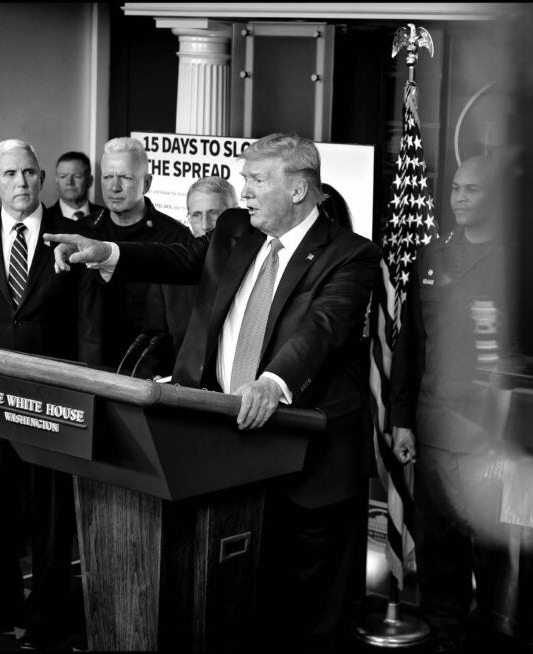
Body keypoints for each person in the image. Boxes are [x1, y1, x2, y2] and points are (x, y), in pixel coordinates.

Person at [45, 133, 380, 652]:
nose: (244, 190)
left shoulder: (350, 254)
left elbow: (323, 326)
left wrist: (273, 381)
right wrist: (106, 251)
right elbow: (178, 260)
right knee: (242, 594)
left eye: (257, 180)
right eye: (244, 178)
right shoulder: (233, 230)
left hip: (310, 455)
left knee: (313, 608)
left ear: (297, 189)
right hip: (229, 445)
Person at [0, 139, 101, 649]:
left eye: (30, 172)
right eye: (11, 174)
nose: (22, 183)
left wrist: (89, 397)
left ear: (42, 178)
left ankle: (48, 612)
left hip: (55, 404)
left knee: (51, 518)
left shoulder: (73, 238)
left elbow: (89, 327)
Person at [390, 155, 511, 651]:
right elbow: (410, 346)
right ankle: (443, 634)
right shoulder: (431, 256)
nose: (459, 197)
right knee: (438, 547)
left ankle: (493, 634)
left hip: (491, 429)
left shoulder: (515, 262)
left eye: (473, 189)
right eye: (456, 188)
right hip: (434, 425)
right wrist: (400, 420)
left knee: (494, 549)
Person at [88, 137, 192, 369]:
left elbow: (183, 321)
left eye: (125, 177)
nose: (114, 187)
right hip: (92, 368)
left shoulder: (176, 239)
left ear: (146, 183)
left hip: (153, 372)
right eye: (107, 177)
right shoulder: (84, 233)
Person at [143, 176, 239, 373]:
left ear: (235, 213)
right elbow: (154, 341)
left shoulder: (256, 267)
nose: (205, 225)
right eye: (196, 215)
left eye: (215, 214)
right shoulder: (168, 276)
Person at [42, 151, 102, 221]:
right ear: (57, 180)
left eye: (77, 176)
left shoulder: (106, 217)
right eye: (63, 176)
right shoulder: (44, 220)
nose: (69, 182)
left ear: (90, 180)